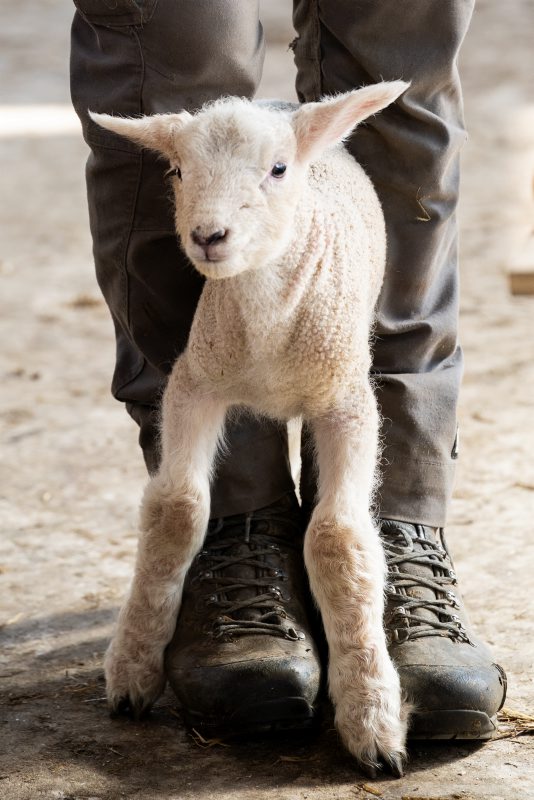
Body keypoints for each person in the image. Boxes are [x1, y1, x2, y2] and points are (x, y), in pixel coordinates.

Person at [70, 0, 506, 739]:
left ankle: (391, 517)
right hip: (220, 336)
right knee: (171, 48)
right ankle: (237, 527)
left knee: (402, 64)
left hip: (329, 299)